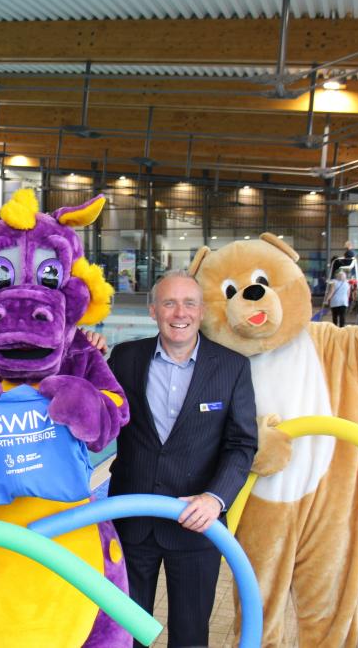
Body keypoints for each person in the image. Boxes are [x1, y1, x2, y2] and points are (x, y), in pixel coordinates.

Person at [105, 270, 257, 648]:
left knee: (190, 634)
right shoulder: (124, 358)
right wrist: (83, 352)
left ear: (202, 311)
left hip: (195, 522)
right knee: (128, 630)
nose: (179, 313)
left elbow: (241, 444)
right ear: (153, 310)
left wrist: (215, 498)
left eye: (189, 303)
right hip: (132, 519)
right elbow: (94, 412)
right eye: (169, 303)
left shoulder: (232, 367)